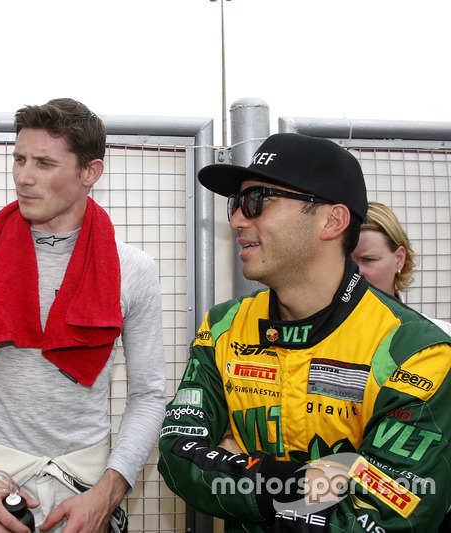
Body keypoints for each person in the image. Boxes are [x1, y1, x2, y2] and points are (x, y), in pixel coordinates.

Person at [158, 133, 451, 531]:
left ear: (332, 221)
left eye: (256, 200)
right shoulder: (223, 326)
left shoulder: (417, 352)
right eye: (236, 204)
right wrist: (304, 483)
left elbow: (388, 515)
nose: (237, 219)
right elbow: (177, 454)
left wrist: (239, 473)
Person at [0, 98, 166, 533]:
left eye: (44, 163)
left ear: (90, 173)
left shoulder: (134, 270)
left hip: (88, 488)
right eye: (19, 159)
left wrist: (107, 494)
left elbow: (148, 394)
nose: (23, 177)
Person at [352, 201, 451, 334]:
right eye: (344, 260)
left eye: (368, 260)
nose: (355, 271)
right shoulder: (319, 338)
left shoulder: (438, 337)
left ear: (399, 259)